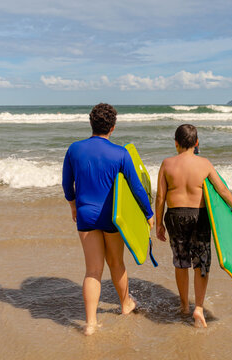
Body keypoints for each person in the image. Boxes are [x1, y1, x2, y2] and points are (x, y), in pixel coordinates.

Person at [62, 103, 154, 335]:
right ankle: (125, 305)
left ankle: (90, 324)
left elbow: (66, 184)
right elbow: (136, 189)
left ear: (91, 123)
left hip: (85, 214)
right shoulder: (120, 153)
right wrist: (149, 214)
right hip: (112, 218)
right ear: (112, 127)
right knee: (116, 263)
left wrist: (73, 205)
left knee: (93, 270)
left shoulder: (74, 149)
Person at [155, 124, 232, 328]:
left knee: (181, 261)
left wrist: (158, 224)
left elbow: (160, 197)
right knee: (201, 262)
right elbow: (222, 190)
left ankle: (184, 306)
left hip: (175, 217)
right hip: (199, 216)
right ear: (196, 143)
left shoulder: (167, 164)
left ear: (176, 143)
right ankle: (199, 309)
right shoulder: (204, 164)